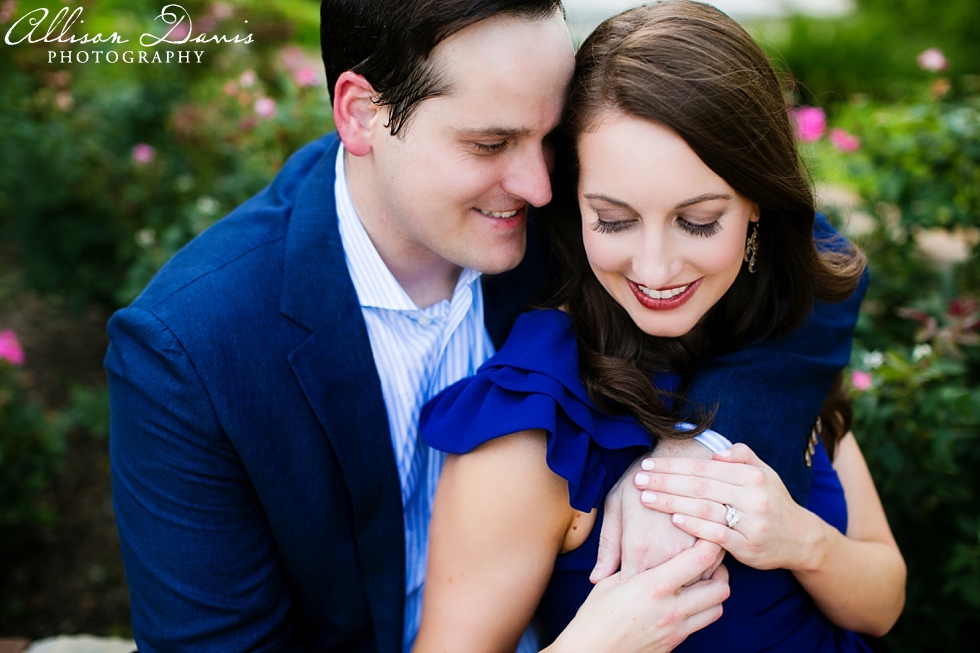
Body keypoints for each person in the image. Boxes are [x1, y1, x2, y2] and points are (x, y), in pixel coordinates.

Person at [106, 1, 862, 651]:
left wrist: (698, 445)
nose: (539, 186)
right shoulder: (191, 353)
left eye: (551, 138)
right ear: (362, 114)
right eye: (490, 144)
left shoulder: (582, 220)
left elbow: (802, 243)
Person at [417, 2, 905, 651]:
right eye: (614, 220)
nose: (655, 268)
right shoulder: (536, 418)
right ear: (572, 201)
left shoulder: (777, 345)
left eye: (698, 220)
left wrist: (800, 539)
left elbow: (884, 602)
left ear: (756, 199)